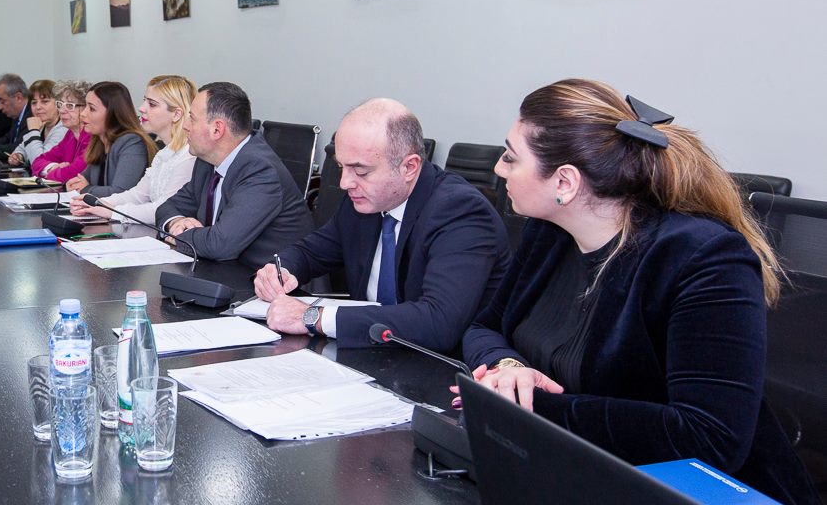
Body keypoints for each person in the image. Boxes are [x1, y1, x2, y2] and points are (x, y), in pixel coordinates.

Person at [455, 79, 817, 504]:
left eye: (511, 158)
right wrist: (508, 367)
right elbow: (485, 327)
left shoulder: (704, 258)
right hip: (575, 467)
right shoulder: (549, 232)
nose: (499, 170)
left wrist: (529, 405)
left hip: (694, 489)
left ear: (565, 182)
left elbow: (710, 436)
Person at [252, 99, 510, 349]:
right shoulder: (365, 200)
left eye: (360, 171)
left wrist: (314, 317)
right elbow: (311, 252)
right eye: (341, 167)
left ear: (409, 167)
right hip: (369, 351)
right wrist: (281, 271)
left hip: (438, 363)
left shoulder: (460, 212)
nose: (344, 183)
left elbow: (438, 321)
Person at [155, 82, 312, 266]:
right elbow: (168, 207)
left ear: (217, 129)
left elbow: (220, 245)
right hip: (221, 270)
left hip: (266, 276)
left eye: (192, 119)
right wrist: (176, 222)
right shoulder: (207, 161)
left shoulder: (260, 171)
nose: (185, 126)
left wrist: (181, 236)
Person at [69, 75, 197, 224]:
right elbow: (137, 195)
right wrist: (97, 203)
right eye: (144, 101)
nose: (141, 108)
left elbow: (164, 208)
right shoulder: (164, 154)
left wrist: (112, 211)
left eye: (152, 104)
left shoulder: (187, 156)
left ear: (176, 114)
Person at [63, 81, 156, 197]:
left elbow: (122, 192)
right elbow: (81, 180)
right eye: (85, 106)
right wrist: (74, 185)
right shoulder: (100, 142)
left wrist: (86, 189)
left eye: (91, 108)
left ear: (113, 113)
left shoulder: (132, 143)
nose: (83, 114)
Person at [30, 80, 92, 183]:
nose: (62, 111)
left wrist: (50, 173)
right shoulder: (70, 135)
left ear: (87, 108)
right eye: (60, 104)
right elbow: (37, 162)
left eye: (70, 106)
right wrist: (52, 167)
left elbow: (74, 173)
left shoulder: (92, 136)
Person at [6, 79, 65, 167]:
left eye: (45, 101)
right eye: (34, 103)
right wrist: (19, 155)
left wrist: (33, 131)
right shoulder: (41, 125)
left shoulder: (64, 128)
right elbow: (21, 148)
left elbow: (40, 161)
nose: (38, 107)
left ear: (58, 104)